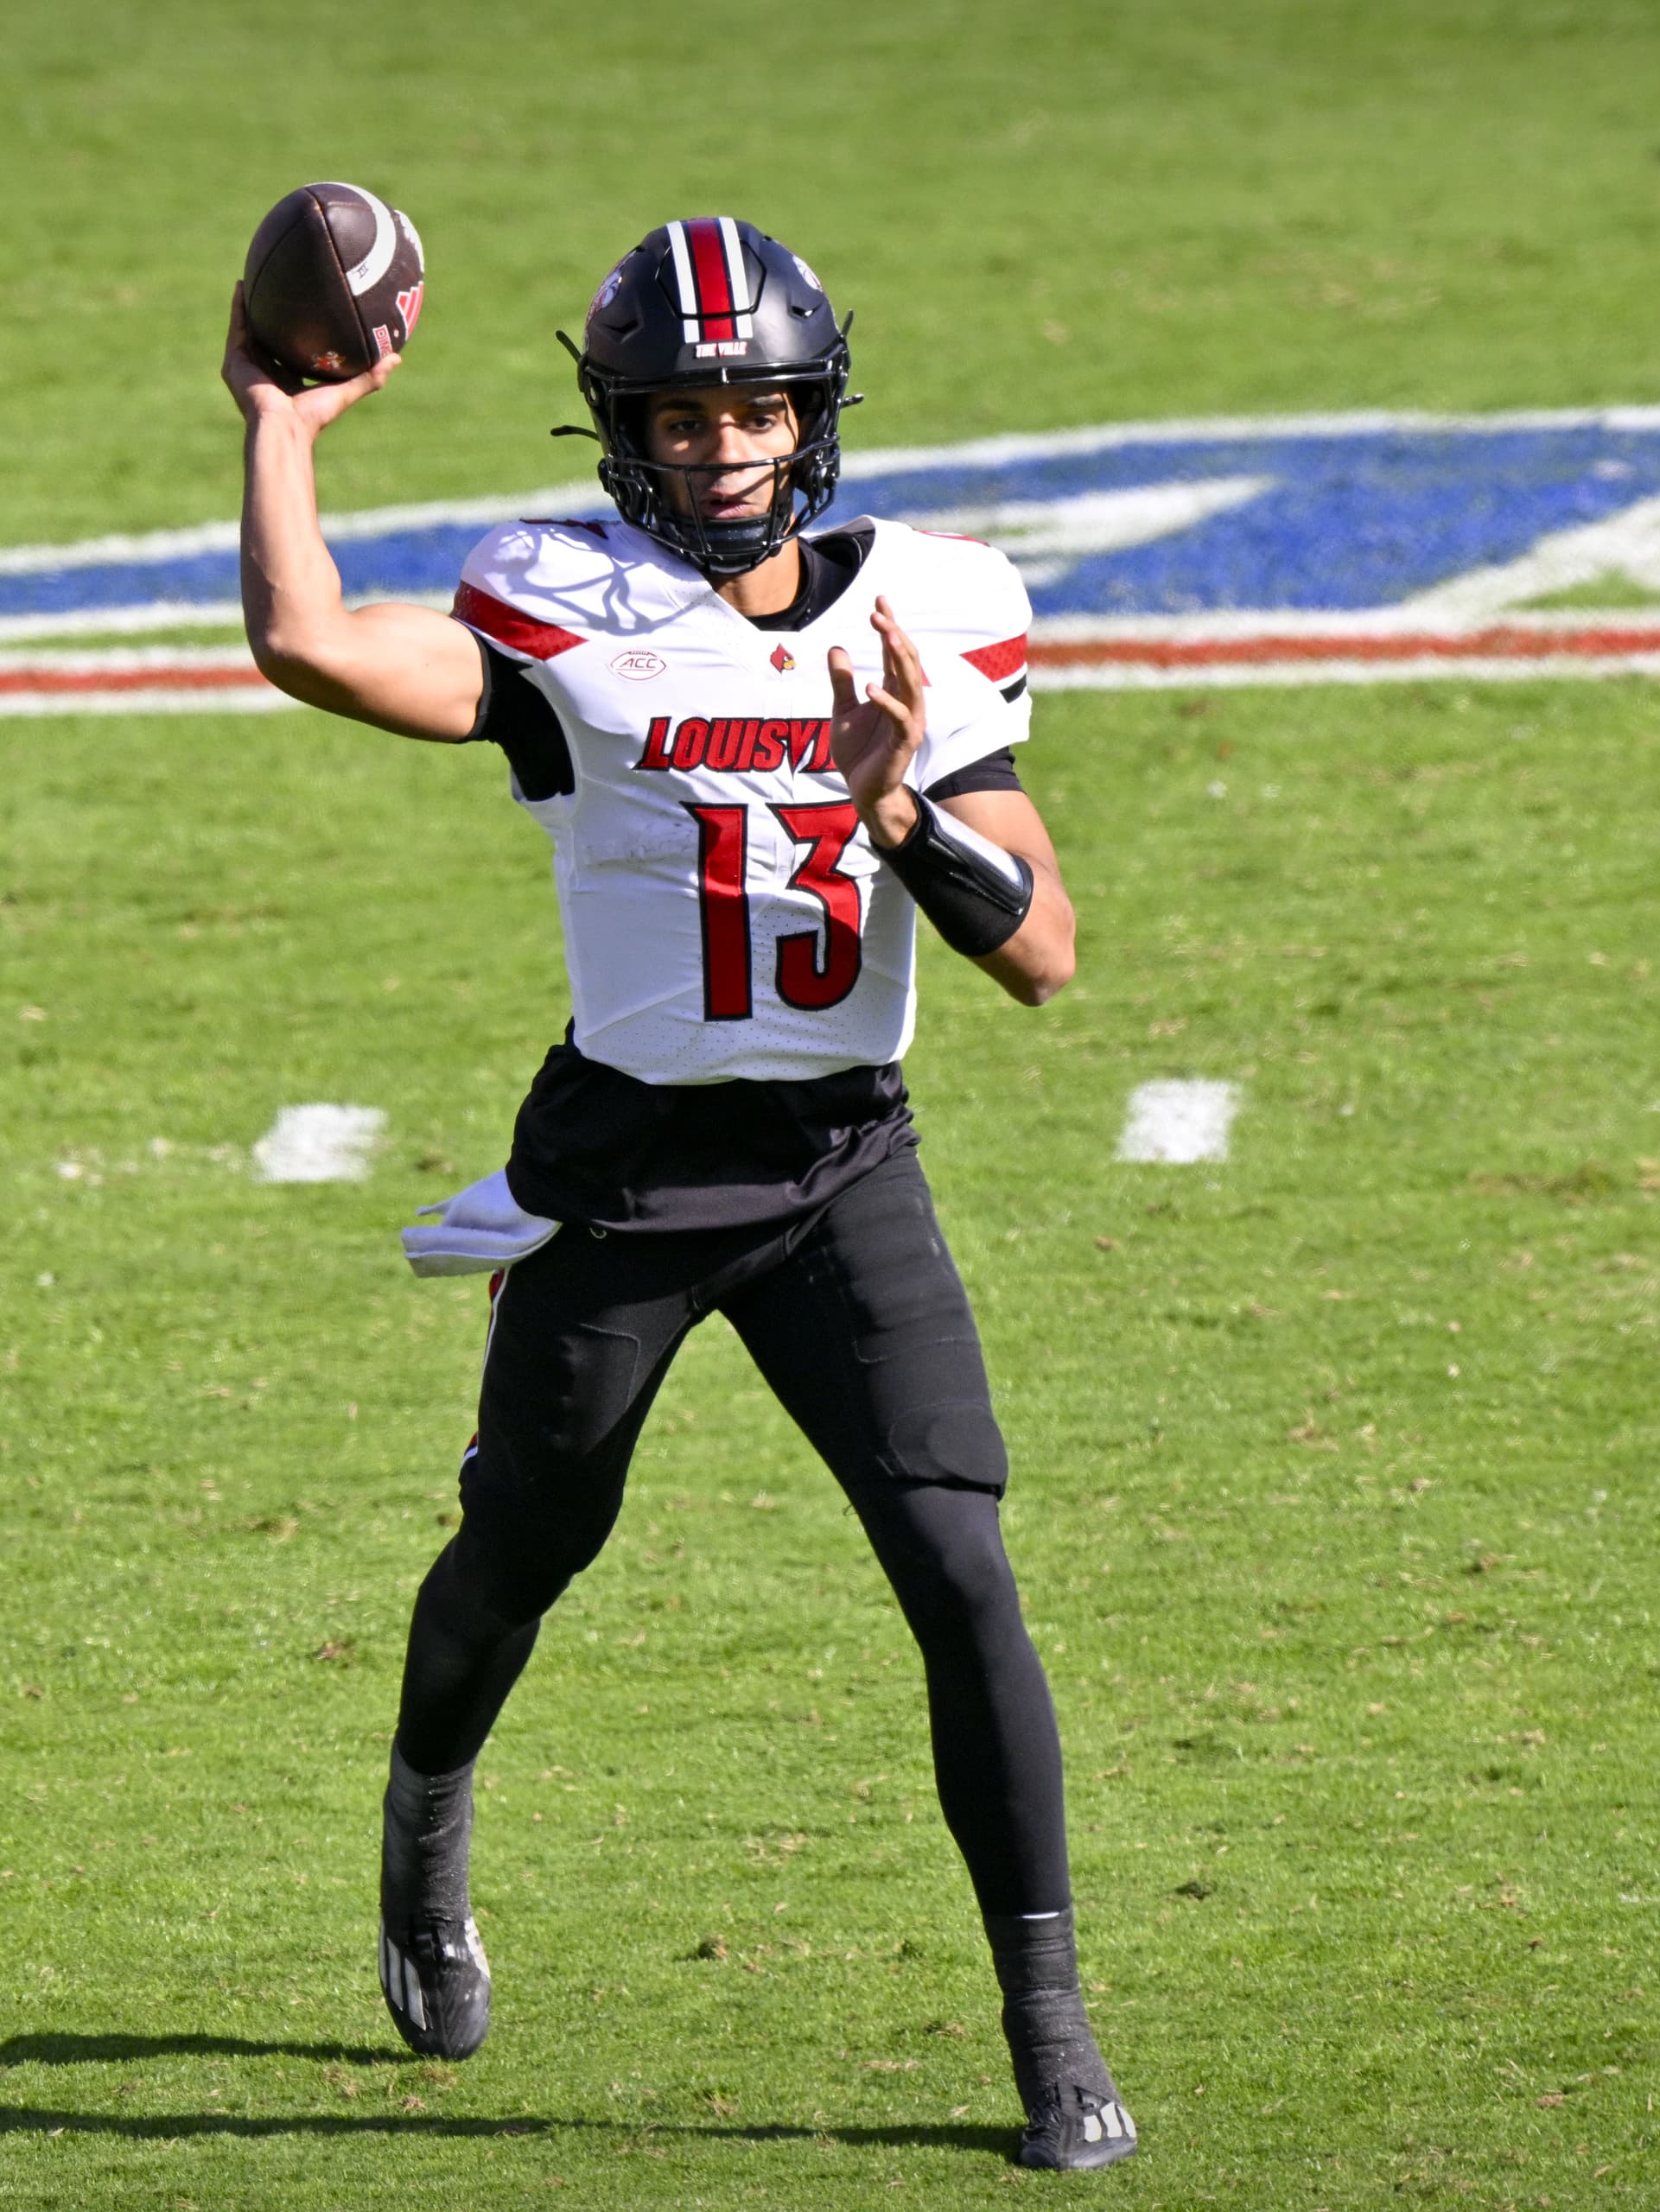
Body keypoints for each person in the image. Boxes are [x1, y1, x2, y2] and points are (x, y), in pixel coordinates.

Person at [219, 214, 1135, 2172]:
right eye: (678, 408)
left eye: (755, 403)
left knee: (963, 1569)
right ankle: (424, 1821)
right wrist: (282, 428)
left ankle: (1049, 2018)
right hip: (623, 1169)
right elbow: (313, 646)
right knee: (522, 1549)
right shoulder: (557, 603)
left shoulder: (938, 606)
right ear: (619, 423)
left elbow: (1046, 953)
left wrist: (893, 801)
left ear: (815, 413)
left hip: (835, 1159)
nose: (720, 442)